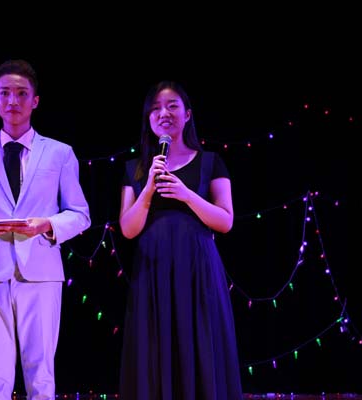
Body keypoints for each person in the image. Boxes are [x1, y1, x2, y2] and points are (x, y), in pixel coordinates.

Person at [0, 59, 91, 399]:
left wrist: (48, 224)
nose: (13, 100)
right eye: (5, 93)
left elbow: (80, 214)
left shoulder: (60, 153)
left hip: (41, 272)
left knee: (41, 375)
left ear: (35, 100)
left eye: (22, 93)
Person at [118, 80, 244, 400]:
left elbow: (225, 220)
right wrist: (148, 188)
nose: (164, 113)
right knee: (154, 348)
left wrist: (187, 195)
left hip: (198, 270)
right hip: (152, 271)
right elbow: (128, 229)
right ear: (148, 119)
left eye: (172, 106)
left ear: (187, 114)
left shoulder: (210, 162)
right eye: (156, 108)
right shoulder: (136, 169)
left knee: (200, 344)